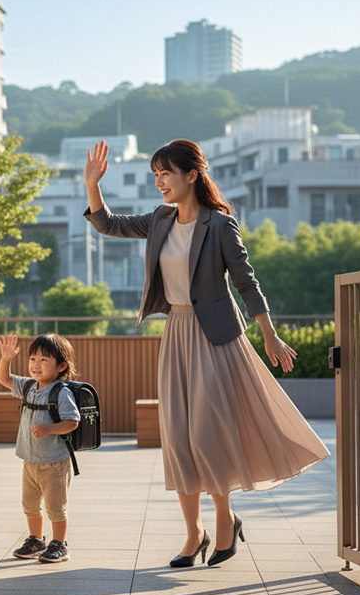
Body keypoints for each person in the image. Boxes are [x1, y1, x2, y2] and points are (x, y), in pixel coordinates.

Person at [82, 139, 329, 568]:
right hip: (175, 334)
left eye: (166, 174)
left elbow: (246, 283)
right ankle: (193, 533)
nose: (159, 182)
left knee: (205, 435)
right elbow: (109, 225)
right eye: (155, 175)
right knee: (177, 437)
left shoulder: (219, 225)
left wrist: (269, 334)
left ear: (191, 175)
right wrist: (92, 186)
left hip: (216, 338)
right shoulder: (159, 220)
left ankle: (224, 521)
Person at [0, 333, 82, 563]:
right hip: (30, 461)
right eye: (33, 358)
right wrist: (6, 358)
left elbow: (73, 422)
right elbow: (4, 379)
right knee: (30, 505)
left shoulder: (60, 392)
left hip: (54, 463)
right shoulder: (28, 386)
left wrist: (49, 429)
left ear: (61, 365)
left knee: (56, 507)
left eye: (44, 360)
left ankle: (59, 545)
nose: (36, 364)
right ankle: (36, 540)